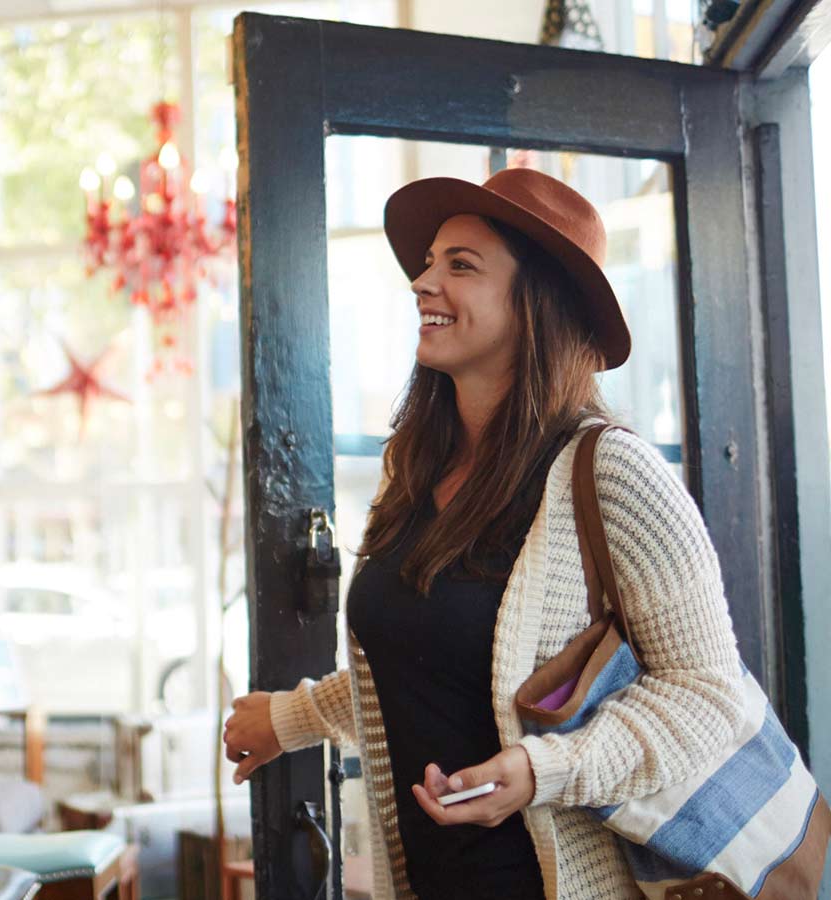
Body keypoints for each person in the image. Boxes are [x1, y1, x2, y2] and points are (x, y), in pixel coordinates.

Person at [220, 168, 747, 900]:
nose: (423, 283)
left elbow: (712, 696)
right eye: (428, 262)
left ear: (539, 304)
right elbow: (422, 668)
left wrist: (543, 770)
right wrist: (288, 718)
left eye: (460, 265)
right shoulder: (413, 470)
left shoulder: (611, 471)